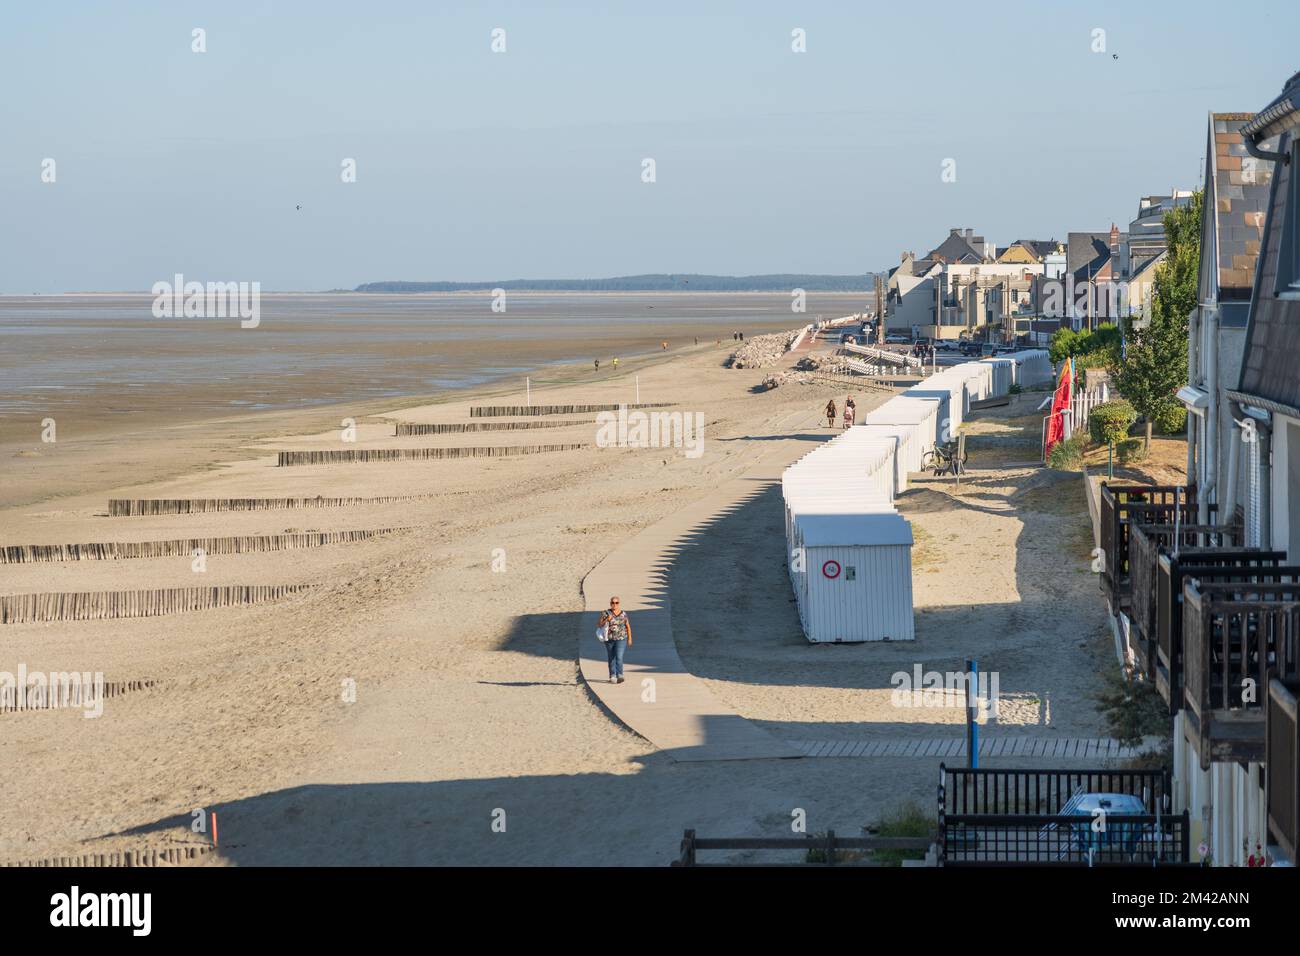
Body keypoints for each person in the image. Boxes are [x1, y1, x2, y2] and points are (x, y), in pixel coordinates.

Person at [598, 597, 632, 683]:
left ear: (619, 603)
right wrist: (606, 619)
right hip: (609, 639)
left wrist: (629, 638)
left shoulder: (623, 614)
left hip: (621, 639)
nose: (614, 604)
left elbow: (627, 626)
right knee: (611, 657)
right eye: (613, 603)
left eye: (616, 603)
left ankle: (620, 675)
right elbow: (599, 625)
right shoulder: (605, 613)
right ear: (610, 603)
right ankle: (612, 675)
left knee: (619, 657)